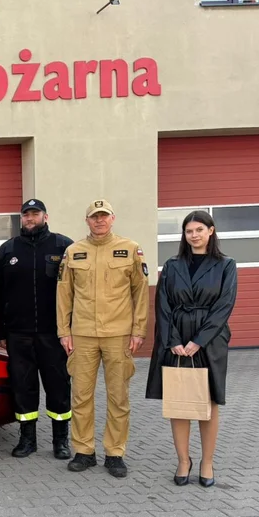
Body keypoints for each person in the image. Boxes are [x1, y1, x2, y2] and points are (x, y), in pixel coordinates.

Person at [56, 200, 149, 478]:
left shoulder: (130, 249)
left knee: (118, 397)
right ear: (87, 221)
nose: (99, 220)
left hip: (118, 335)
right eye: (94, 217)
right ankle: (84, 451)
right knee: (81, 396)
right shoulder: (73, 251)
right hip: (82, 335)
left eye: (104, 216)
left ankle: (115, 453)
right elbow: (64, 294)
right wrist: (64, 331)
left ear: (112, 218)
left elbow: (140, 292)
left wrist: (138, 330)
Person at [145, 211, 237, 488]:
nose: (194, 235)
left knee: (209, 400)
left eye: (199, 230)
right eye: (189, 231)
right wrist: (172, 340)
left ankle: (207, 462)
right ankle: (183, 460)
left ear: (211, 231)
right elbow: (162, 305)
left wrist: (199, 340)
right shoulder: (172, 266)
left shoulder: (226, 265)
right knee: (179, 399)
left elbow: (224, 305)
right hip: (176, 338)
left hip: (210, 339)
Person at [0, 199, 74, 460]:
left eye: (35, 214)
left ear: (45, 217)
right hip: (18, 334)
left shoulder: (63, 246)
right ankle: (27, 439)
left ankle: (61, 440)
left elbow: (77, 291)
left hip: (53, 334)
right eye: (26, 214)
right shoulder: (8, 250)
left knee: (58, 386)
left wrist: (71, 329)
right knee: (23, 387)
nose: (30, 218)